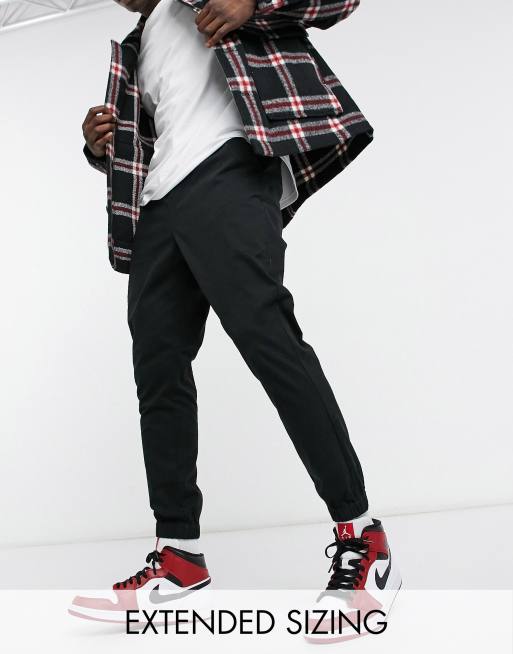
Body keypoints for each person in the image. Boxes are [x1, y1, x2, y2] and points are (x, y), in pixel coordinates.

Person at [71, 0, 401, 638]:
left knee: (267, 339)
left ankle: (363, 537)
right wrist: (98, 145)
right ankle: (179, 555)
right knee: (158, 371)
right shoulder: (135, 49)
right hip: (157, 204)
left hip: (229, 168)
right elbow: (144, 139)